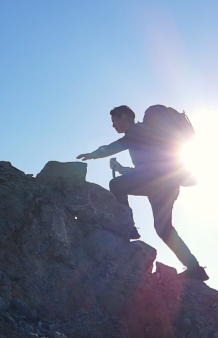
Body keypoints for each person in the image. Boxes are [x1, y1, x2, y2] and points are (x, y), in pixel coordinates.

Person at [77, 105, 209, 281]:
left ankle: (126, 226)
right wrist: (121, 168)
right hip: (167, 185)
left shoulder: (136, 131)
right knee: (164, 229)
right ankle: (195, 269)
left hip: (156, 183)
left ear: (124, 116)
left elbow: (114, 148)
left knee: (116, 185)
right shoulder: (144, 133)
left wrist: (94, 154)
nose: (113, 125)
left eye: (114, 120)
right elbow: (145, 169)